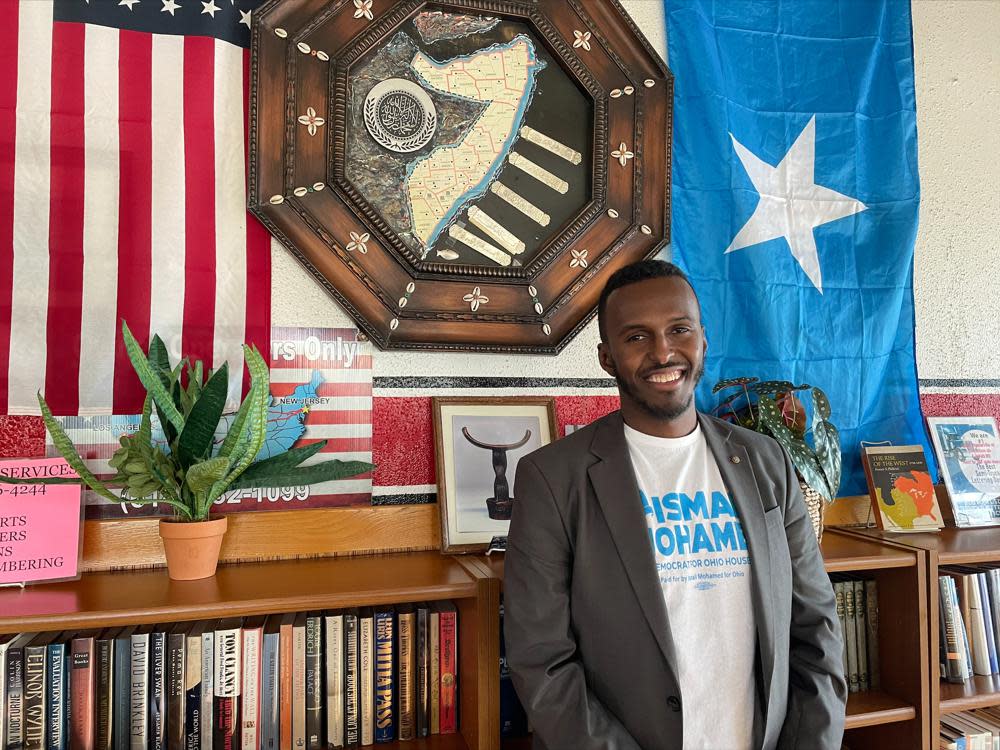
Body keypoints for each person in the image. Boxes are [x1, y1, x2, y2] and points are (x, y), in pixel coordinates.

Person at [504, 259, 846, 750]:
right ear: (607, 358)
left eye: (678, 329)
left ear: (703, 340)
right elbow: (542, 662)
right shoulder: (552, 480)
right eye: (637, 337)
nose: (663, 352)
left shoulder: (766, 462)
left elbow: (816, 629)